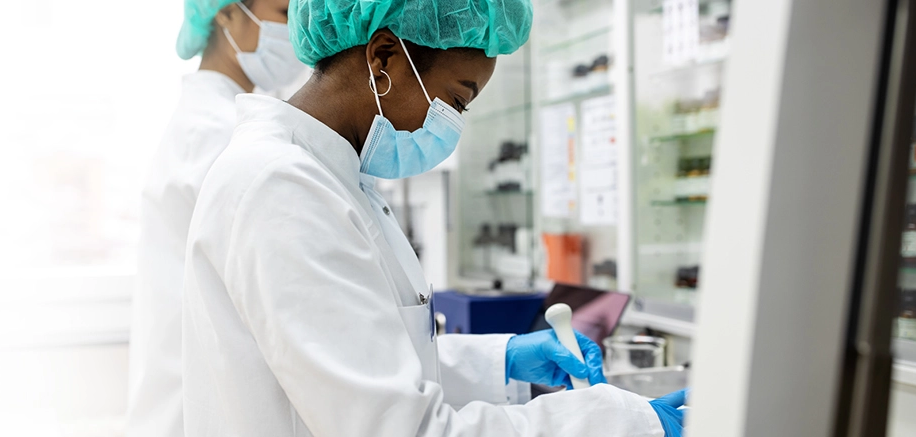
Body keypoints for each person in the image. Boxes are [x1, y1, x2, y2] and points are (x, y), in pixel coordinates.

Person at [179, 0, 687, 435]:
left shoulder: (328, 176)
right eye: (456, 102)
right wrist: (622, 420)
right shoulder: (284, 188)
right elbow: (402, 427)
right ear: (383, 58)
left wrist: (500, 358)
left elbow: (362, 359)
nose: (451, 125)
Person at [126, 1, 308, 436]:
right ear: (225, 13)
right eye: (284, 13)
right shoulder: (215, 132)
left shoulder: (220, 120)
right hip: (190, 408)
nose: (296, 35)